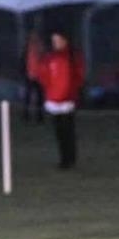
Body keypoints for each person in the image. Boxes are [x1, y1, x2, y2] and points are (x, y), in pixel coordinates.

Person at [37, 29, 85, 169]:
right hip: (54, 98)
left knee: (67, 130)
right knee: (59, 131)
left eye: (58, 40)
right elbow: (44, 75)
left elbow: (77, 77)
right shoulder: (50, 57)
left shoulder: (72, 57)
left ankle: (69, 158)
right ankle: (65, 158)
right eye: (54, 41)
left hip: (67, 99)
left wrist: (70, 92)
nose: (56, 43)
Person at [22, 28, 45, 123]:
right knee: (28, 96)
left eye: (35, 35)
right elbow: (24, 60)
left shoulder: (40, 46)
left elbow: (44, 60)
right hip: (29, 75)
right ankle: (26, 115)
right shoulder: (27, 47)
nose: (33, 37)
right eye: (32, 35)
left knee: (40, 97)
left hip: (39, 76)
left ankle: (39, 116)